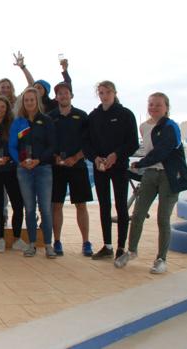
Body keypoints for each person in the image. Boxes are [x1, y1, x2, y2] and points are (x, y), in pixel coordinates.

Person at [115, 93, 187, 273]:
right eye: (151, 104)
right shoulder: (143, 127)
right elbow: (146, 152)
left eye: (158, 105)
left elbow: (162, 151)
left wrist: (140, 164)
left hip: (169, 176)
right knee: (138, 214)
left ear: (166, 107)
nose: (154, 107)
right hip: (150, 174)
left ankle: (161, 259)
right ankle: (131, 251)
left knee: (163, 219)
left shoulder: (172, 127)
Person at [83, 81, 139, 261]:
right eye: (101, 93)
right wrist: (95, 158)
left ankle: (121, 247)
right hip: (100, 167)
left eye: (107, 92)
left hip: (120, 167)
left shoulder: (126, 115)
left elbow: (133, 144)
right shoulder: (93, 116)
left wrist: (116, 155)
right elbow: (87, 144)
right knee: (104, 205)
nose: (104, 96)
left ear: (114, 93)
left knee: (121, 206)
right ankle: (107, 246)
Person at [9, 87, 57, 258]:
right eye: (26, 100)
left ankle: (48, 245)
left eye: (32, 99)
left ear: (37, 101)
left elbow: (52, 146)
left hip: (43, 168)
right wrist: (20, 161)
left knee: (45, 208)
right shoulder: (18, 122)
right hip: (24, 170)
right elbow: (12, 147)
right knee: (29, 208)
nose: (29, 102)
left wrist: (39, 160)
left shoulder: (47, 120)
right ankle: (31, 244)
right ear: (23, 102)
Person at [49, 82, 93, 257]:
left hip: (78, 166)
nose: (63, 96)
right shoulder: (50, 116)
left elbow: (88, 142)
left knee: (81, 205)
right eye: (60, 94)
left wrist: (75, 158)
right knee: (56, 205)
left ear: (71, 95)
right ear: (56, 97)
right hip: (57, 168)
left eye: (66, 93)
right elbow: (47, 141)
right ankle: (57, 241)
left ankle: (86, 242)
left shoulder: (82, 116)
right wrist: (55, 157)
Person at [0, 96, 26, 252]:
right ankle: (0, 238)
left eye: (2, 107)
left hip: (11, 170)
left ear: (7, 109)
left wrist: (11, 158)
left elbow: (20, 146)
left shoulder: (15, 124)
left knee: (17, 204)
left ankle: (17, 239)